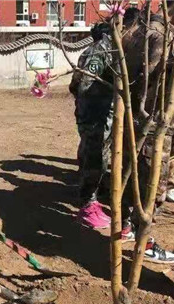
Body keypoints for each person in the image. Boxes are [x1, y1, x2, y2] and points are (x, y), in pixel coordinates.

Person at [119, 0, 174, 264]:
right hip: (154, 122)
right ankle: (145, 241)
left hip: (135, 120)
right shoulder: (162, 36)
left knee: (132, 174)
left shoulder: (137, 30)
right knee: (153, 185)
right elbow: (154, 81)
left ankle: (127, 226)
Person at [69, 22, 114, 229]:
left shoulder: (87, 51)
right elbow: (86, 82)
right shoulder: (101, 50)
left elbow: (74, 84)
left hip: (89, 114)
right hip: (96, 116)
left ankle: (90, 198)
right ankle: (88, 205)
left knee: (89, 154)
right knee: (95, 158)